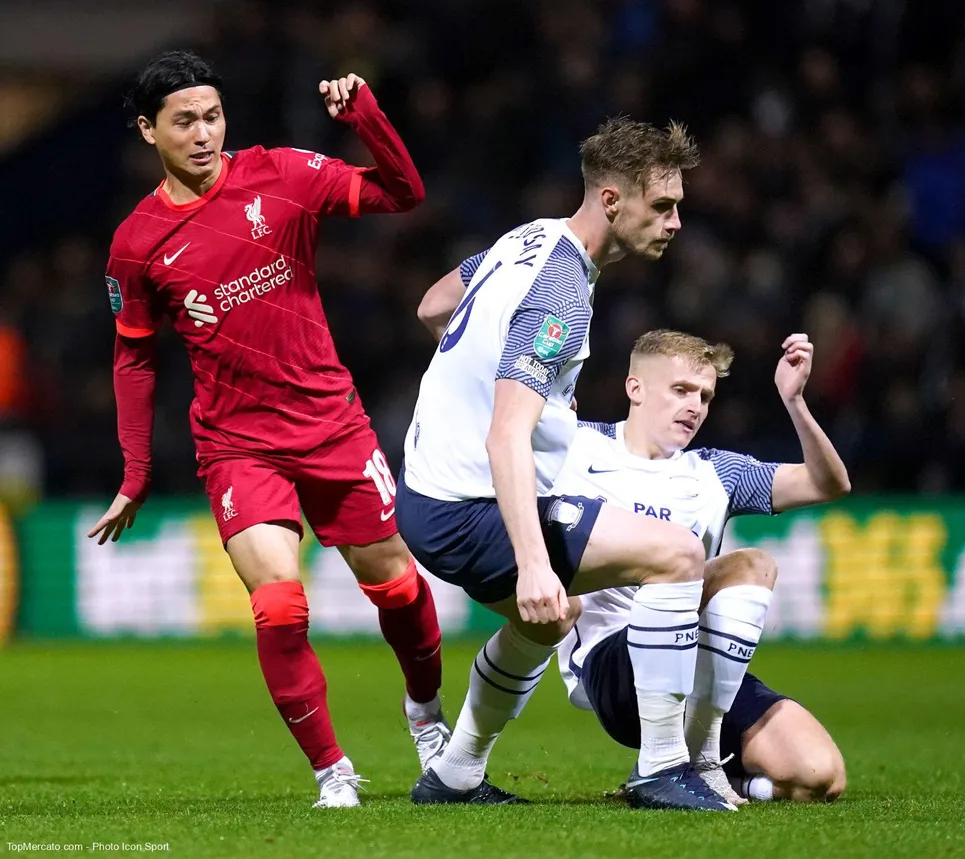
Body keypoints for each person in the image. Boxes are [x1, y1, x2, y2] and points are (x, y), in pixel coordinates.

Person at [88, 50, 446, 808]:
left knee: (397, 587)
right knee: (279, 604)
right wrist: (134, 472)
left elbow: (404, 193)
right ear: (149, 130)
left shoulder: (283, 173)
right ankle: (331, 770)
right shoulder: (136, 242)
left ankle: (425, 713)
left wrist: (365, 119)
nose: (203, 132)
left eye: (212, 115)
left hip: (331, 424)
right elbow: (134, 358)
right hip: (238, 444)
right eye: (183, 120)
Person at [403, 118, 733, 810]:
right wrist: (531, 562)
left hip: (426, 498)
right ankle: (665, 767)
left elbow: (434, 304)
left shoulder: (528, 237)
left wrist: (494, 379)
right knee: (676, 553)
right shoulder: (560, 295)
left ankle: (454, 774)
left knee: (556, 616)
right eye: (662, 205)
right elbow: (505, 437)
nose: (676, 221)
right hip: (470, 507)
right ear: (612, 200)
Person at [553, 329, 850, 805]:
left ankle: (693, 773)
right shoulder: (574, 447)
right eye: (681, 390)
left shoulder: (714, 472)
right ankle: (703, 761)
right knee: (751, 565)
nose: (695, 406)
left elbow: (827, 484)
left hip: (697, 667)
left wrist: (794, 401)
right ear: (636, 388)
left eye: (705, 396)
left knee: (818, 775)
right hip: (616, 666)